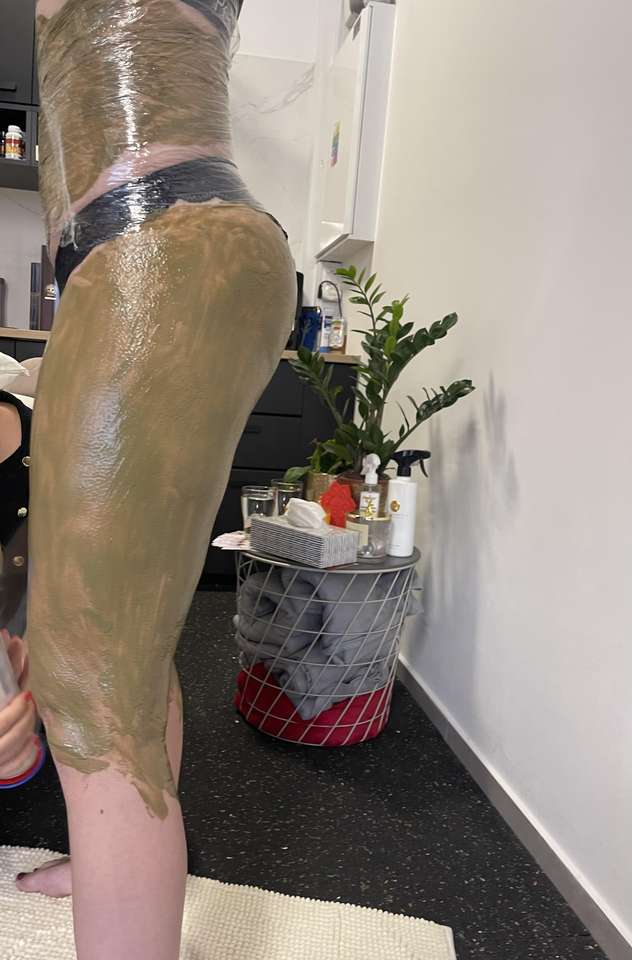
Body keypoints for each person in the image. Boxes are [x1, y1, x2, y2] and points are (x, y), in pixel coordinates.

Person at [20, 1, 297, 958]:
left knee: (88, 677)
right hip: (176, 250)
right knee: (126, 636)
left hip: (155, 251)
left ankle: (122, 877)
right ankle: (115, 864)